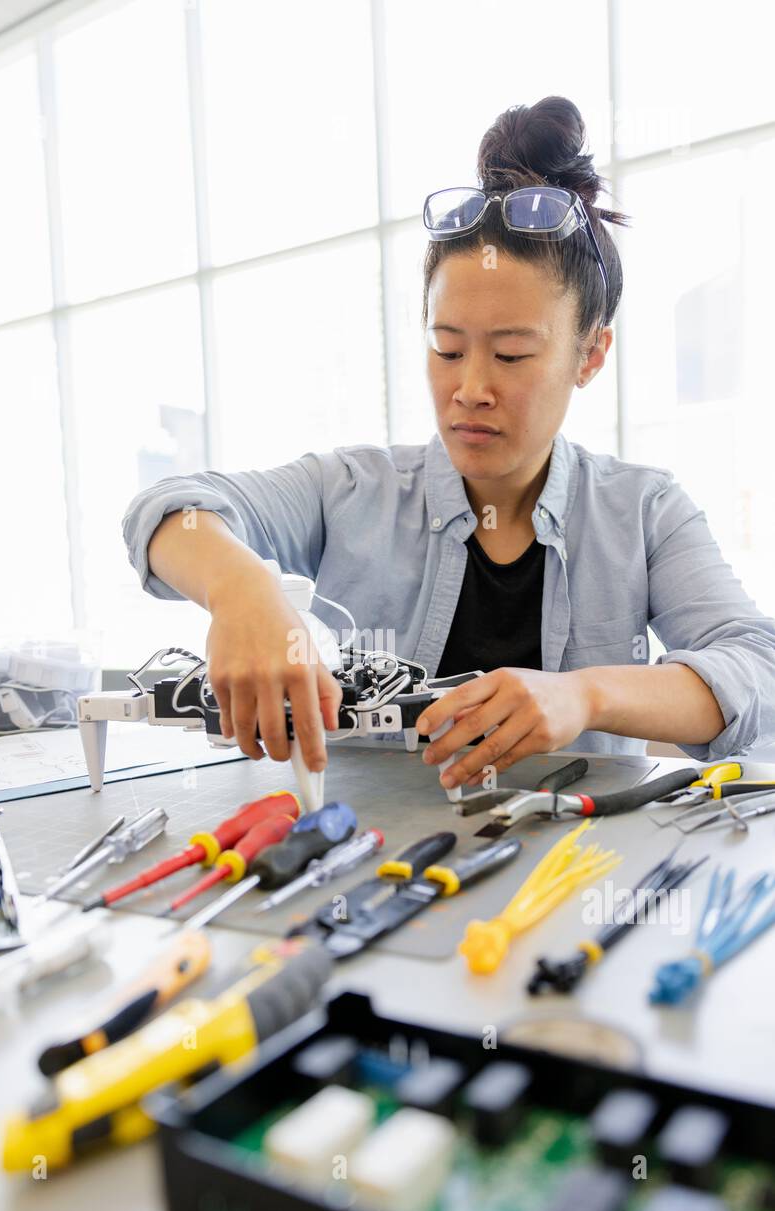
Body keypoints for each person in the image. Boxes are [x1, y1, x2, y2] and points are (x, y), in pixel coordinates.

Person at [122, 95, 775, 792]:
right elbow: (169, 510)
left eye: (513, 355)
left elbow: (757, 667)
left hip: (578, 866)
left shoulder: (642, 511)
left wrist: (583, 694)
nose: (470, 388)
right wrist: (241, 589)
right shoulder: (353, 490)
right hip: (366, 863)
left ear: (591, 355)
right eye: (447, 348)